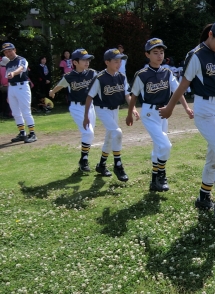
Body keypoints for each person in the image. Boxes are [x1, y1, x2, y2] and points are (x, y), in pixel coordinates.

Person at [159, 19, 215, 227]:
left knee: (214, 155)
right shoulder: (196, 55)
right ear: (211, 34)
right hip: (205, 109)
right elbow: (184, 84)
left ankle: (204, 196)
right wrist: (170, 107)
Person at [126, 38, 194, 192]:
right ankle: (161, 175)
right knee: (165, 145)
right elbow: (134, 95)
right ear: (147, 54)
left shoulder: (167, 72)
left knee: (158, 148)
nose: (159, 56)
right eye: (155, 53)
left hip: (164, 113)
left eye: (161, 52)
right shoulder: (142, 74)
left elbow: (178, 91)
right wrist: (130, 114)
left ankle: (153, 180)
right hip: (149, 113)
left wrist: (186, 108)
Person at [83, 48, 139, 182]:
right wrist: (86, 116)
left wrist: (133, 108)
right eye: (115, 61)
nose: (118, 64)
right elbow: (89, 97)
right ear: (107, 62)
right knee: (117, 132)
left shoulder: (121, 76)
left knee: (110, 137)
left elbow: (127, 94)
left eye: (120, 61)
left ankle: (101, 165)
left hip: (115, 109)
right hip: (102, 109)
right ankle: (118, 165)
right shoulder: (100, 78)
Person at [50, 49, 98, 172]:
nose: (87, 62)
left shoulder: (92, 73)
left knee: (89, 134)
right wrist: (52, 92)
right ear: (75, 62)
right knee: (88, 133)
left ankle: (83, 159)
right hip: (76, 107)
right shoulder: (69, 76)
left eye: (88, 59)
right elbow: (60, 85)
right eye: (84, 59)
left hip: (90, 107)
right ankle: (84, 160)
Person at [2, 42, 37, 143]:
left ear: (14, 50)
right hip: (12, 88)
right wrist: (9, 93)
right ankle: (22, 133)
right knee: (15, 112)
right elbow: (9, 80)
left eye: (10, 51)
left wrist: (13, 73)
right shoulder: (8, 63)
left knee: (25, 111)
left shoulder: (21, 60)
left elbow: (21, 68)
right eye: (6, 52)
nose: (8, 53)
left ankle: (32, 133)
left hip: (22, 86)